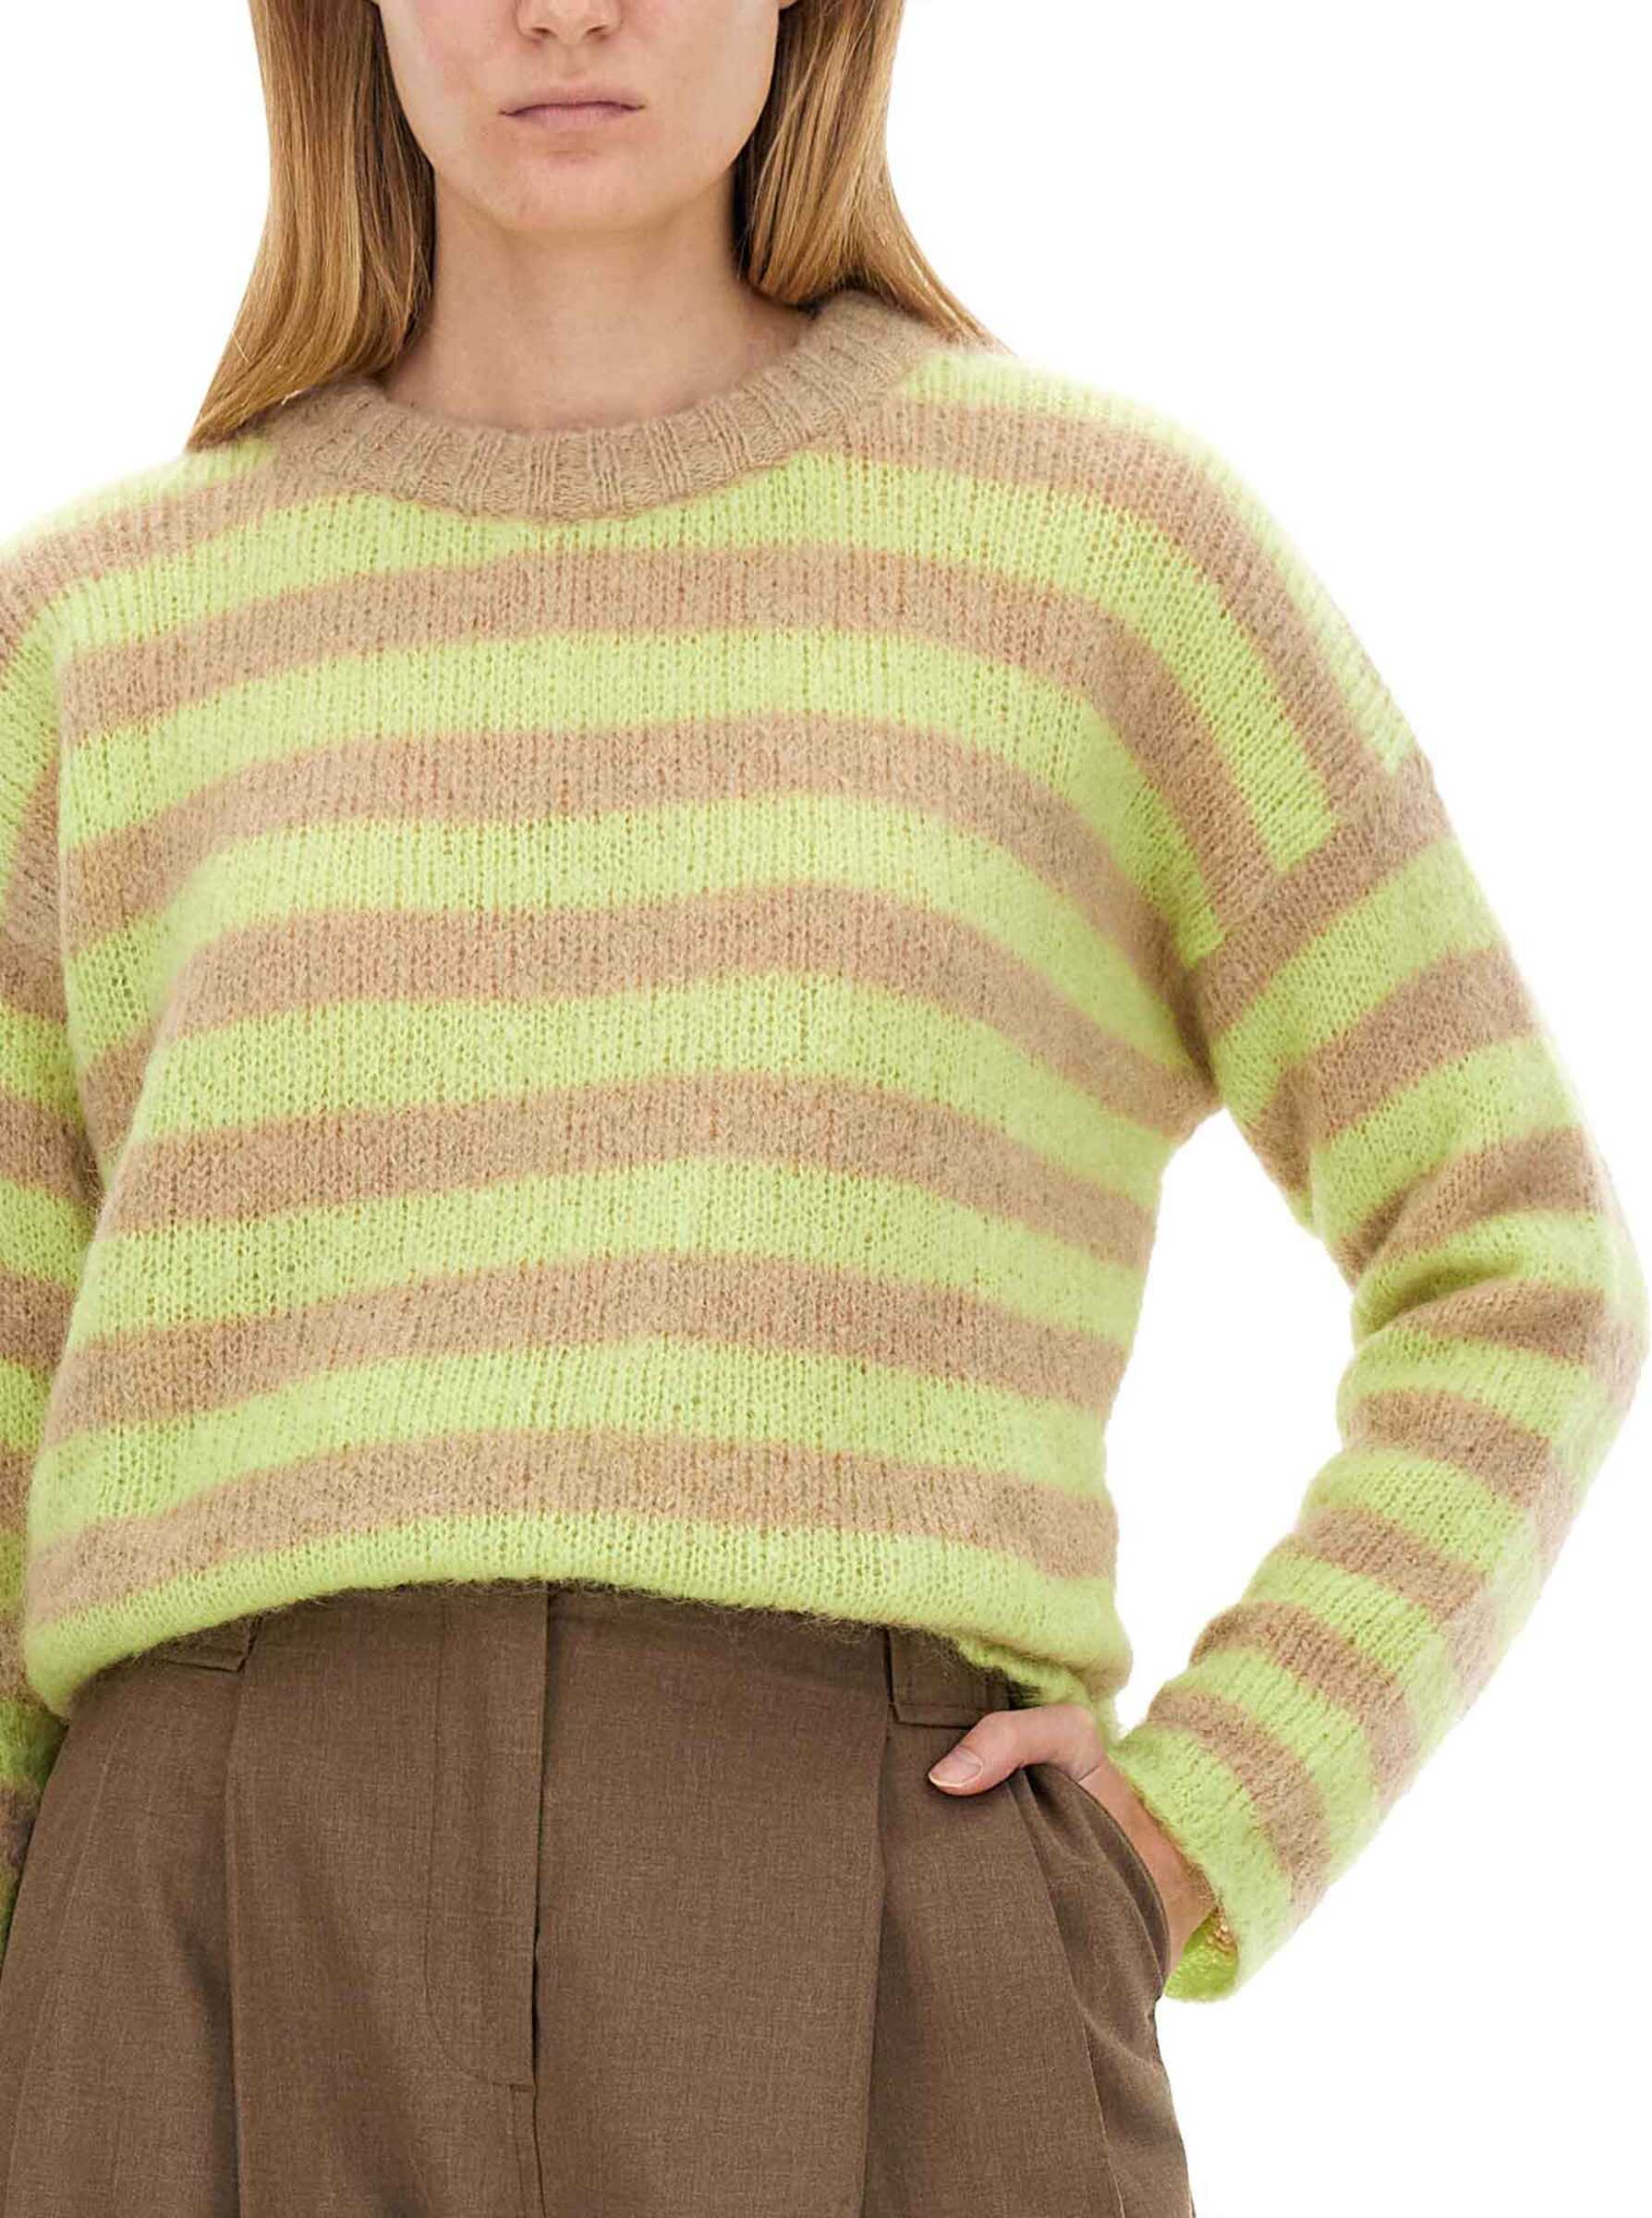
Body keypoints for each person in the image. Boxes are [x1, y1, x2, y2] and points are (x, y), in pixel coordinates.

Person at [0, 2, 1641, 2212]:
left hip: (876, 1919)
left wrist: (1203, 1819)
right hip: (185, 1942)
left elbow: (1520, 1261)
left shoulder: (1099, 560)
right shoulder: (95, 633)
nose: (562, 9)